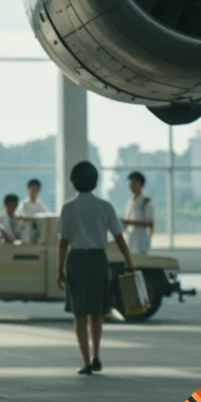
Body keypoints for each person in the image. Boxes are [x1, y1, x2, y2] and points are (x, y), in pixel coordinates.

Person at [57, 161, 136, 375]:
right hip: (98, 261)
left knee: (79, 314)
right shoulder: (105, 206)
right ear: (96, 182)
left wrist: (59, 270)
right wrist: (129, 262)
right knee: (97, 312)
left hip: (77, 261)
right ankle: (96, 355)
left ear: (73, 182)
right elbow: (119, 238)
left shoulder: (68, 208)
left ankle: (86, 362)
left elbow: (63, 242)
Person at [122, 171, 154, 255]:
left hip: (141, 240)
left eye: (133, 183)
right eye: (130, 183)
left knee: (142, 263)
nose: (131, 186)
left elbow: (149, 223)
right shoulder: (129, 201)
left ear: (140, 184)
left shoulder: (146, 201)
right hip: (130, 239)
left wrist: (129, 222)